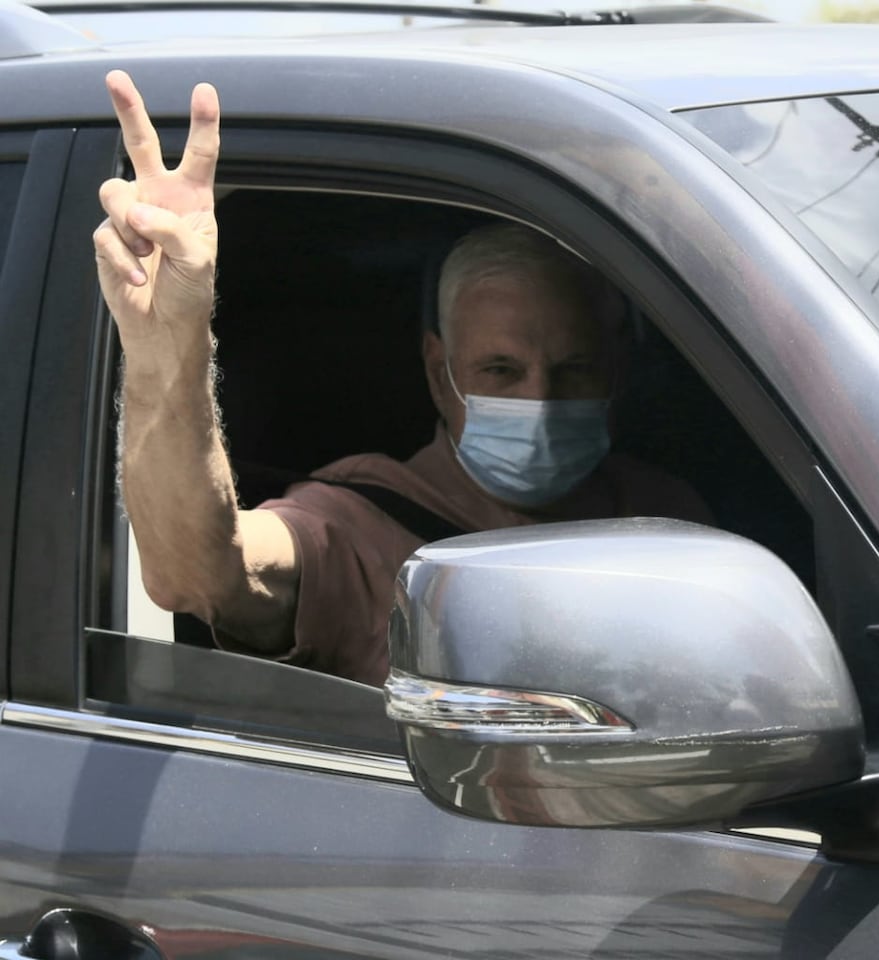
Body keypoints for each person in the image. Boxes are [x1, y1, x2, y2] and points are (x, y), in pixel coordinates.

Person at [94, 71, 710, 685]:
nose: (541, 399)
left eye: (575, 370)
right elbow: (197, 575)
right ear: (440, 374)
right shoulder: (356, 524)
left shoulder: (662, 513)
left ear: (617, 372)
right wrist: (166, 342)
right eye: (500, 370)